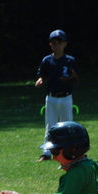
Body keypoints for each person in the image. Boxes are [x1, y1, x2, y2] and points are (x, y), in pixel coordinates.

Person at [35, 29, 79, 159]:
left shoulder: (69, 60)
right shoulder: (47, 60)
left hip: (65, 97)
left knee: (68, 125)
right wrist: (40, 80)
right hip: (52, 97)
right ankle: (47, 152)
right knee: (50, 125)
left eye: (59, 42)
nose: (56, 45)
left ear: (65, 44)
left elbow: (76, 79)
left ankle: (70, 151)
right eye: (53, 43)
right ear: (50, 45)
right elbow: (42, 75)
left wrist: (72, 77)